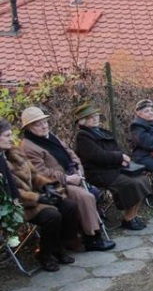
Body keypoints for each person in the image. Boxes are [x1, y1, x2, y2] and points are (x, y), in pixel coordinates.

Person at [20, 106, 115, 252]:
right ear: (29, 128)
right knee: (85, 196)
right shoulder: (28, 146)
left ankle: (88, 233)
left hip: (73, 176)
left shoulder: (51, 136)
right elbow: (41, 172)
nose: (44, 126)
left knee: (92, 192)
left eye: (44, 122)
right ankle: (92, 238)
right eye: (38, 124)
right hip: (54, 186)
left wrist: (78, 169)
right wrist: (68, 178)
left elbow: (71, 153)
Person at [1, 118, 77, 271]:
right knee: (52, 216)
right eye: (7, 135)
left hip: (32, 197)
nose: (12, 139)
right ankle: (45, 254)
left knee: (69, 206)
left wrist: (47, 186)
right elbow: (9, 193)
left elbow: (34, 175)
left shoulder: (15, 152)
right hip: (14, 206)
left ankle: (58, 247)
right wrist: (38, 198)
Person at [73, 103, 151, 231]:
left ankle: (133, 215)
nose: (95, 118)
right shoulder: (83, 136)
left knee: (142, 180)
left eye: (96, 115)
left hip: (114, 168)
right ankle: (128, 218)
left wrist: (122, 159)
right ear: (82, 121)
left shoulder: (102, 132)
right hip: (98, 173)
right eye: (90, 117)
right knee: (131, 184)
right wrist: (120, 158)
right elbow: (98, 156)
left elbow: (116, 149)